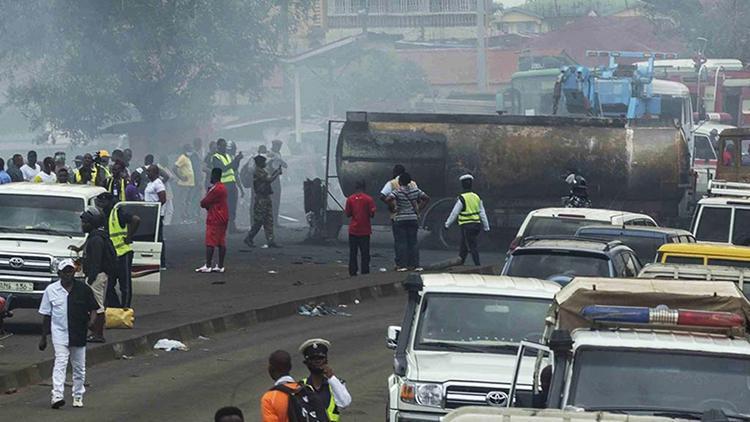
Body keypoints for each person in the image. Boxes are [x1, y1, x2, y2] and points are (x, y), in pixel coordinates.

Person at [38, 259, 99, 409]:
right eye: (64, 272)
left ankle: (78, 395)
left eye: (70, 271)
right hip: (59, 333)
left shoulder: (83, 289)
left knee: (79, 367)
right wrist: (44, 337)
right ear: (59, 273)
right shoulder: (51, 290)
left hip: (78, 332)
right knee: (60, 362)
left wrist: (91, 322)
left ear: (74, 272)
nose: (67, 274)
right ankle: (57, 395)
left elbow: (94, 309)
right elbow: (46, 315)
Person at [68, 207, 115, 343]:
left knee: (98, 305)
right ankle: (95, 332)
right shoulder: (96, 235)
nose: (82, 225)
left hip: (97, 276)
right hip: (98, 275)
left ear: (92, 223)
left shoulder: (96, 240)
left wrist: (91, 278)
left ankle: (98, 334)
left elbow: (96, 260)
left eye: (85, 222)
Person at [95, 192, 140, 309]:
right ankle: (116, 308)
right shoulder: (102, 214)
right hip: (111, 255)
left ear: (109, 202)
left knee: (125, 285)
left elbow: (136, 219)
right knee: (109, 285)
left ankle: (125, 310)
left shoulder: (118, 212)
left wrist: (129, 237)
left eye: (102, 202)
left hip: (123, 253)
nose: (100, 204)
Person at [299, 338, 352, 421]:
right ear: (306, 363)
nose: (317, 362)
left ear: (326, 360)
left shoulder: (335, 384)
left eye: (320, 358)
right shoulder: (299, 387)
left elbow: (345, 403)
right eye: (313, 359)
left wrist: (331, 378)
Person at [386, 173, 429, 272]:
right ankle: (415, 265)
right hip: (413, 218)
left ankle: (402, 265)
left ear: (400, 182)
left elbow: (388, 199)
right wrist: (419, 209)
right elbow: (426, 198)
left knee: (402, 243)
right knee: (413, 242)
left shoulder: (397, 191)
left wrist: (394, 207)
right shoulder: (416, 190)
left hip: (400, 219)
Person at [444, 174, 490, 266]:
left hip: (466, 226)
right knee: (464, 245)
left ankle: (478, 265)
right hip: (476, 225)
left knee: (471, 246)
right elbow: (482, 212)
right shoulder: (477, 197)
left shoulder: (462, 198)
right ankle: (460, 263)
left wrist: (447, 224)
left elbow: (454, 213)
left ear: (462, 185)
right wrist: (486, 227)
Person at [380, 165, 417, 270]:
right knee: (412, 241)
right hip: (412, 216)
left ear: (395, 173)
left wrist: (392, 206)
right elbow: (419, 197)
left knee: (400, 242)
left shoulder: (391, 183)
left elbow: (382, 195)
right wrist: (417, 211)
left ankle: (401, 264)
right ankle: (413, 264)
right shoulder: (413, 183)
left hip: (398, 216)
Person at [244, 155, 281, 248]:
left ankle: (270, 240)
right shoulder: (258, 171)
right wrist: (277, 173)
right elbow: (268, 179)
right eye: (264, 162)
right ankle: (249, 237)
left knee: (269, 219)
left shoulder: (261, 171)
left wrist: (276, 172)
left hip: (265, 197)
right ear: (260, 163)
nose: (265, 163)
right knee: (259, 220)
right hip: (261, 198)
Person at [197, 168, 229, 273]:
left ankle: (208, 265)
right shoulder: (222, 187)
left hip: (215, 217)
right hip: (223, 216)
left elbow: (204, 202)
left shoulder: (216, 189)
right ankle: (220, 265)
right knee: (221, 241)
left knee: (210, 242)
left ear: (214, 176)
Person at [344, 180, 375, 276]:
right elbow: (372, 214)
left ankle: (353, 271)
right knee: (365, 253)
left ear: (355, 188)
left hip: (353, 230)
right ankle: (365, 271)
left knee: (353, 253)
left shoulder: (350, 199)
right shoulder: (369, 199)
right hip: (365, 231)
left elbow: (348, 214)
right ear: (364, 188)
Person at [212, 138, 243, 233]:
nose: (225, 148)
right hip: (224, 185)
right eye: (223, 146)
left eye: (225, 146)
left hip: (232, 184)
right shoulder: (216, 157)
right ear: (218, 146)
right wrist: (235, 161)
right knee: (225, 207)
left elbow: (233, 168)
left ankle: (232, 227)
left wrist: (238, 160)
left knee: (232, 206)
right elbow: (223, 169)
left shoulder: (228, 156)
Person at [145, 164, 168, 268]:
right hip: (150, 214)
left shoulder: (158, 184)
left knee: (158, 238)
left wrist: (154, 209)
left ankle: (162, 262)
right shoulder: (150, 183)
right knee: (152, 237)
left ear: (155, 173)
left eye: (149, 171)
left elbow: (163, 199)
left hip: (156, 214)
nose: (147, 173)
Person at [172, 144, 195, 224]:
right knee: (183, 202)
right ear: (185, 150)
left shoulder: (187, 158)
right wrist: (181, 177)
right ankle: (183, 219)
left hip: (189, 184)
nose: (191, 151)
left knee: (188, 202)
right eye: (189, 149)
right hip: (184, 184)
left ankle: (187, 218)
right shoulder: (182, 158)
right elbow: (174, 168)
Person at [268, 140, 288, 226]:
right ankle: (272, 221)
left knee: (276, 200)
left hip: (276, 178)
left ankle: (275, 221)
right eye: (278, 146)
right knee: (272, 201)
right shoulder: (270, 154)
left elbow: (284, 165)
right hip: (271, 178)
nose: (279, 148)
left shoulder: (278, 154)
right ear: (274, 145)